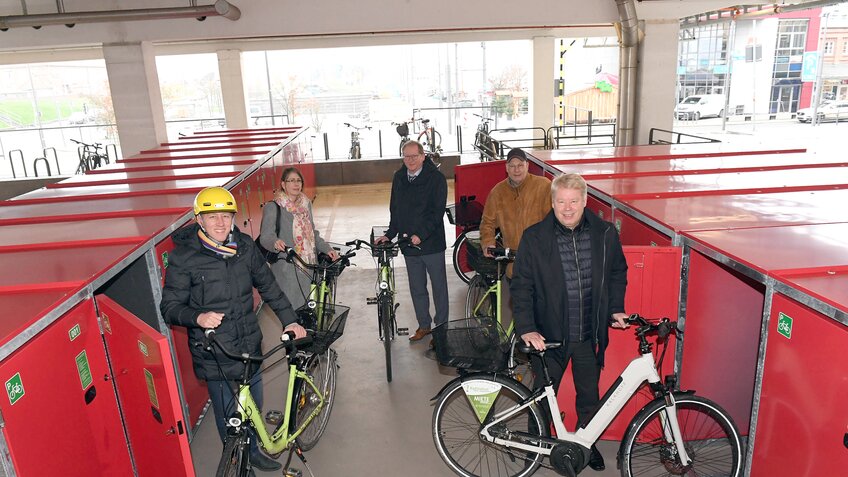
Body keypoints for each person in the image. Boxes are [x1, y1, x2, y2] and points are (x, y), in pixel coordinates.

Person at [160, 186, 306, 473]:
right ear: (198, 219)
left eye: (226, 216)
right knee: (231, 420)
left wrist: (290, 319)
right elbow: (170, 306)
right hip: (216, 352)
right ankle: (241, 465)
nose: (220, 223)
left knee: (254, 408)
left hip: (249, 346)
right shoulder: (185, 258)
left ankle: (253, 451)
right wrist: (197, 317)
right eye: (212, 217)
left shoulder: (244, 247)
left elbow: (268, 286)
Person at [511, 173, 629, 472]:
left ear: (585, 201)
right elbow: (521, 285)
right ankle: (536, 446)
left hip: (589, 334)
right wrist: (526, 327)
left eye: (573, 201)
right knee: (540, 398)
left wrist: (615, 308)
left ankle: (585, 446)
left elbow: (617, 271)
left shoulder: (604, 233)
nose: (567, 208)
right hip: (549, 336)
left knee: (589, 396)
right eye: (561, 201)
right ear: (552, 202)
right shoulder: (534, 237)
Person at [375, 140, 449, 345]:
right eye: (406, 156)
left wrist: (421, 235)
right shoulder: (399, 177)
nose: (410, 160)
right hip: (408, 244)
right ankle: (424, 325)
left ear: (423, 156)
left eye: (414, 156)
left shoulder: (436, 179)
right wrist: (390, 234)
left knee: (439, 288)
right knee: (417, 288)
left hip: (431, 244)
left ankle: (441, 329)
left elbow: (437, 212)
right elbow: (395, 209)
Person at [259, 166, 338, 310]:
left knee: (311, 312)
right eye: (291, 181)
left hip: (308, 266)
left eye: (298, 181)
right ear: (283, 184)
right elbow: (266, 236)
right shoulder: (273, 207)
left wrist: (327, 249)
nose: (296, 184)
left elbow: (312, 233)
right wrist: (275, 242)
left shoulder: (306, 204)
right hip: (288, 269)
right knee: (293, 315)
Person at [480, 147, 551, 265]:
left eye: (520, 165)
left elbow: (554, 219)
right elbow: (487, 222)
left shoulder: (544, 186)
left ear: (527, 166)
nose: (516, 170)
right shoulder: (498, 192)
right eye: (512, 166)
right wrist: (488, 242)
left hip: (540, 261)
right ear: (506, 168)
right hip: (513, 263)